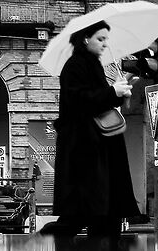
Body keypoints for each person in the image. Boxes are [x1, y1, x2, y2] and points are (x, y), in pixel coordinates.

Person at [46, 22, 146, 239]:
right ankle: (49, 248)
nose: (104, 44)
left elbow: (98, 101)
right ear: (85, 39)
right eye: (100, 39)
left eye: (105, 39)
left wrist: (119, 89)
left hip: (97, 145)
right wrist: (112, 92)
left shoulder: (92, 64)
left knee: (101, 212)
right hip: (86, 148)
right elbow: (81, 101)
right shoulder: (75, 66)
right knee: (86, 212)